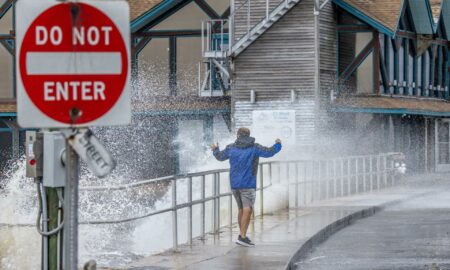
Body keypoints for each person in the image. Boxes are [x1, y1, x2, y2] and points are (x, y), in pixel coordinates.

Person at [211, 127, 282, 247]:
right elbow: (270, 152)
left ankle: (242, 235)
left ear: (238, 135)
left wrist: (215, 149)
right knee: (248, 209)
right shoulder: (254, 147)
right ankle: (242, 237)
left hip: (234, 185)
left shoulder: (231, 147)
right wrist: (278, 144)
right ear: (248, 135)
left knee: (241, 209)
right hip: (248, 184)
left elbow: (220, 157)